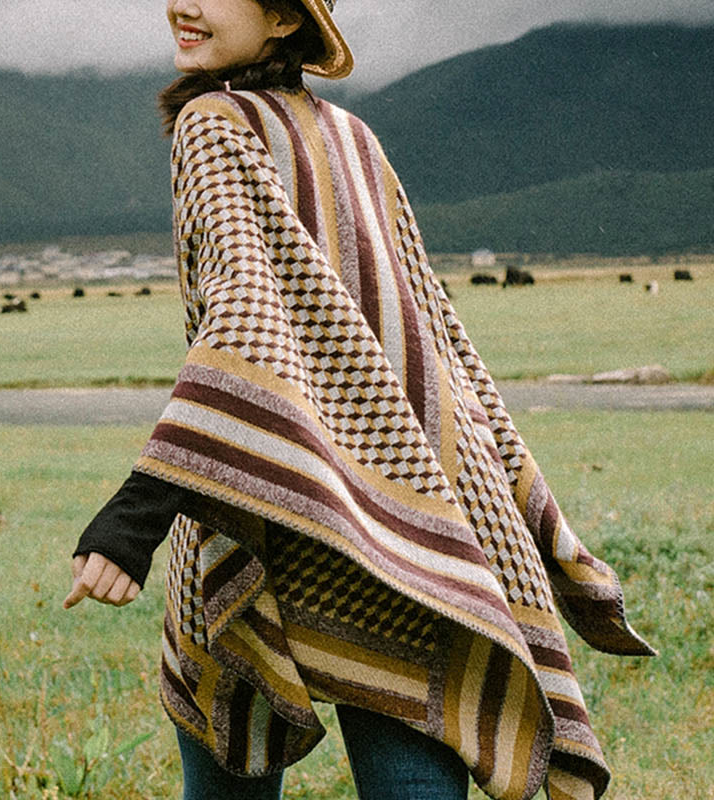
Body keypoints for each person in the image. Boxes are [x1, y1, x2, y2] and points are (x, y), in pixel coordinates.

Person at [64, 1, 655, 799]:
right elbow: (437, 338)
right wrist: (507, 500)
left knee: (231, 731)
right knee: (413, 752)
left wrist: (137, 515)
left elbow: (246, 318)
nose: (185, 4)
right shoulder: (354, 136)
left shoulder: (213, 122)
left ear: (281, 17)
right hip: (404, 516)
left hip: (274, 500)